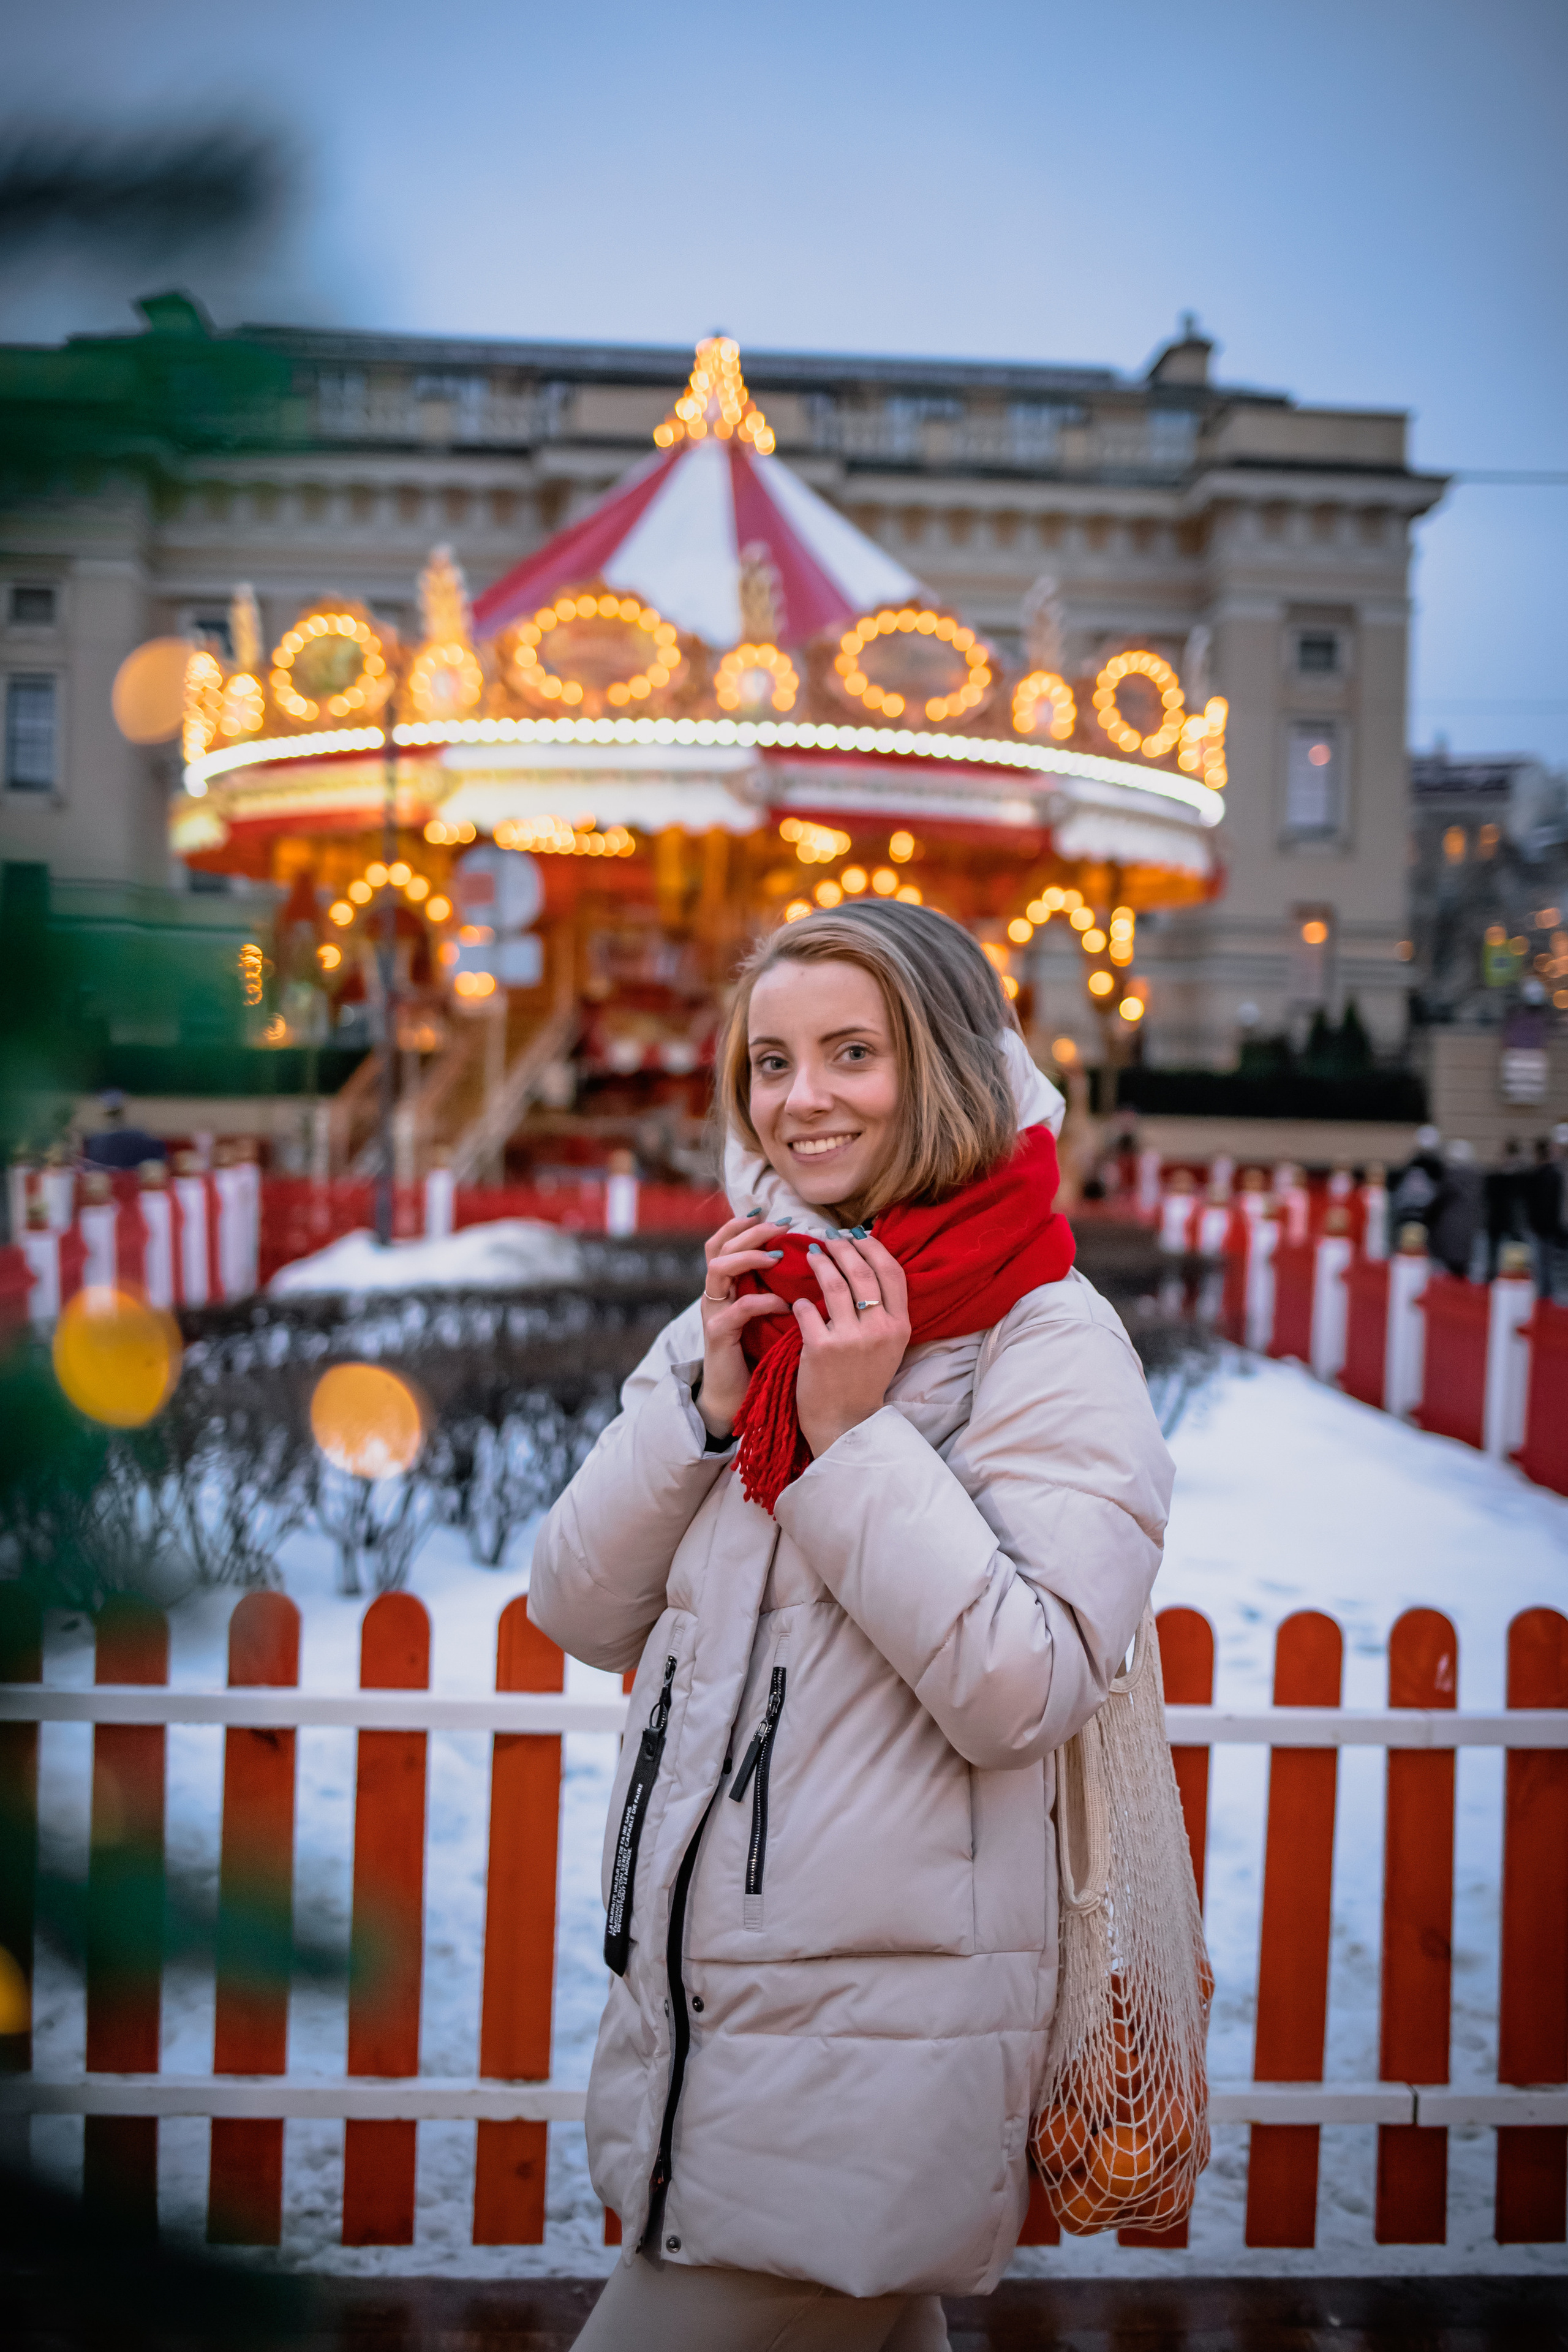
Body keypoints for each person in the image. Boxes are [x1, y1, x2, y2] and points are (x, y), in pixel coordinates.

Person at [530, 902, 1174, 2351]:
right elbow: (572, 1604)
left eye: (849, 1054)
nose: (799, 1097)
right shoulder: (753, 1305)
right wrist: (706, 1404)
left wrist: (846, 1440)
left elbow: (1025, 1684)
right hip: (713, 2005)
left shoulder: (1044, 1336)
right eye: (768, 1061)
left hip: (878, 2032)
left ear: (941, 1065)